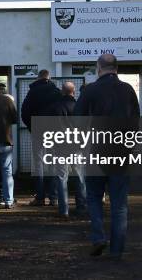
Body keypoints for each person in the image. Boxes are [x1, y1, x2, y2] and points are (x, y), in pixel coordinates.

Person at [74, 54, 140, 259]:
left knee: (93, 197)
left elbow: (77, 121)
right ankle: (117, 250)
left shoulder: (90, 90)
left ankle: (98, 237)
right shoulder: (128, 90)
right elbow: (136, 122)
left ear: (99, 68)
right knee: (119, 203)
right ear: (116, 69)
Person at [21, 69, 62, 206]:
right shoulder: (56, 92)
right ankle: (54, 197)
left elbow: (25, 112)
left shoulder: (32, 92)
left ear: (38, 78)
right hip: (54, 132)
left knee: (38, 164)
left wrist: (32, 127)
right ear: (48, 78)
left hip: (38, 131)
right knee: (53, 163)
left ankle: (40, 197)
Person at [48, 81, 87, 219]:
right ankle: (81, 206)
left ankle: (64, 209)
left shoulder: (55, 108)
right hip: (77, 146)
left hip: (60, 146)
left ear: (62, 92)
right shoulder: (79, 107)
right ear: (74, 91)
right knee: (80, 177)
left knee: (61, 177)